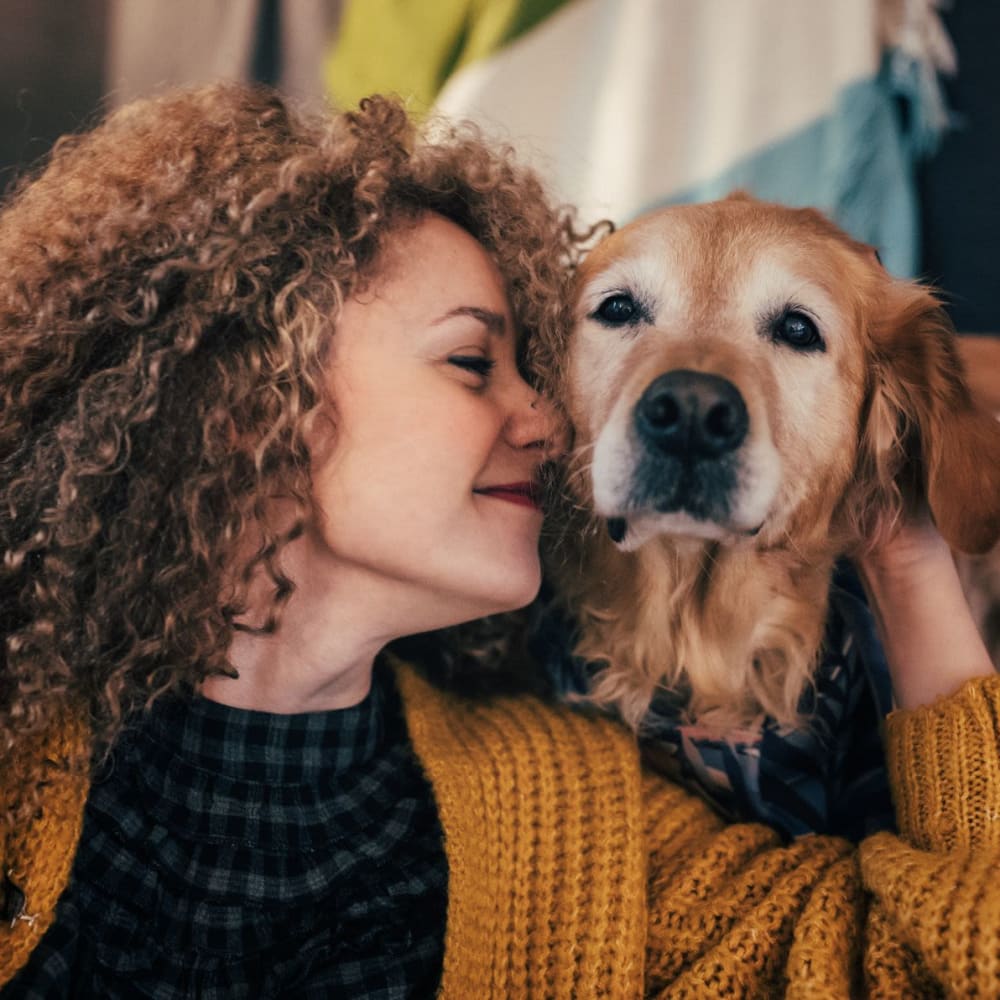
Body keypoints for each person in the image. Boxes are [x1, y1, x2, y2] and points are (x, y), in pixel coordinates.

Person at [0, 83, 997, 999]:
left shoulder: (575, 825)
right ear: (247, 401)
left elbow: (949, 964)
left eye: (535, 363)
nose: (553, 419)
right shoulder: (26, 725)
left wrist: (903, 544)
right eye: (474, 362)